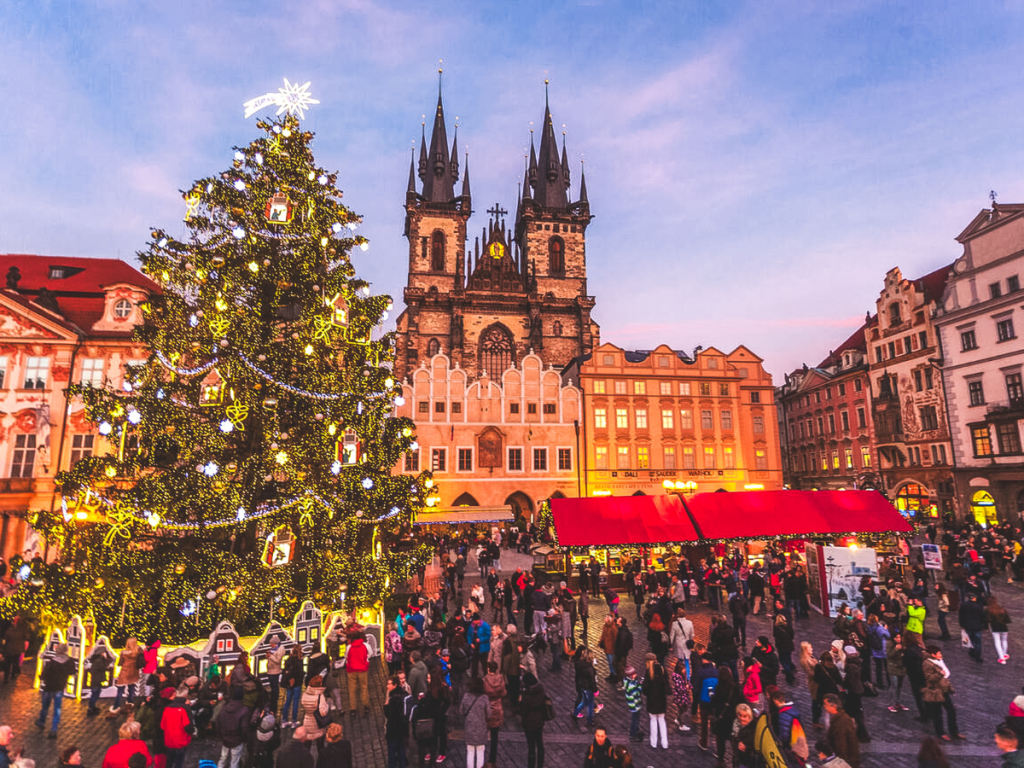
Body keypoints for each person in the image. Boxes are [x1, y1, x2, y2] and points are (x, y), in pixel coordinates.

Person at [922, 646, 963, 742]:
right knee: (937, 713)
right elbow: (929, 678)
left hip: (943, 690)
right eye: (939, 653)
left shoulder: (939, 661)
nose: (941, 655)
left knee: (951, 710)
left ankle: (954, 731)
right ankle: (940, 733)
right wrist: (940, 673)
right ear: (933, 655)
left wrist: (950, 689)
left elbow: (945, 678)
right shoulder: (927, 663)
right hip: (935, 692)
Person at [37, 643, 75, 737]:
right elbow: (72, 672)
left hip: (49, 687)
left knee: (45, 707)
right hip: (60, 687)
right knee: (57, 709)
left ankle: (41, 722)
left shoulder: (51, 662)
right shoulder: (70, 661)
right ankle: (54, 729)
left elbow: (44, 675)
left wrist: (41, 677)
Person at [709, 666, 739, 767]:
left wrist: (711, 696)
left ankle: (721, 759)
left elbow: (715, 703)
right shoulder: (736, 687)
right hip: (733, 719)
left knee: (721, 741)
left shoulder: (718, 688)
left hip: (722, 719)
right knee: (733, 740)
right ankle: (735, 760)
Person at [214, 687, 251, 768]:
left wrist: (220, 735)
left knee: (223, 757)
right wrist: (245, 739)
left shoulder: (224, 708)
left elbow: (218, 722)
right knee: (235, 760)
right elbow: (244, 728)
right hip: (237, 740)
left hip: (225, 738)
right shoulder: (244, 710)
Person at [160, 685, 195, 768]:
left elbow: (162, 726)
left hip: (169, 741)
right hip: (181, 741)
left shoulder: (167, 709)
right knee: (178, 763)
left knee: (169, 763)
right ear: (185, 695)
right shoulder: (184, 709)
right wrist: (193, 732)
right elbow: (188, 727)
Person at [460, 676, 490, 768]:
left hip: (470, 728)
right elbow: (489, 714)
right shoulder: (484, 698)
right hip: (481, 728)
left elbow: (461, 711)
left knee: (470, 751)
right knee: (480, 752)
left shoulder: (466, 696)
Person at [520, 672, 548, 768]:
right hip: (539, 720)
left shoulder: (526, 695)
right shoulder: (541, 691)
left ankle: (531, 765)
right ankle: (540, 764)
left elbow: (522, 710)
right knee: (540, 743)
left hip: (528, 722)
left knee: (531, 746)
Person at [824, 694, 860, 768]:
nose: (824, 706)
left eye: (825, 704)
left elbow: (841, 746)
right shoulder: (840, 718)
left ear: (833, 706)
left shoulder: (840, 723)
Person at [642, 655, 669, 750]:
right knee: (662, 721)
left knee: (653, 721)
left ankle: (653, 743)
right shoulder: (662, 669)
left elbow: (645, 689)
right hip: (661, 700)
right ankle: (664, 743)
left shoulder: (649, 672)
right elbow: (667, 685)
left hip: (652, 701)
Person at [112, 638, 144, 715]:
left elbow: (120, 663)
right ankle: (130, 702)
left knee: (120, 690)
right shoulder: (138, 652)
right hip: (134, 672)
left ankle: (116, 705)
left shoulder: (124, 653)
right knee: (131, 688)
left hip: (125, 672)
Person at [483, 661, 506, 764]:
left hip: (487, 708)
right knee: (495, 735)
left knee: (482, 733)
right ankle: (493, 758)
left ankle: (481, 754)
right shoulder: (501, 679)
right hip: (497, 707)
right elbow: (504, 692)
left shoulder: (485, 680)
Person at [384, 676, 409, 768]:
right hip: (403, 729)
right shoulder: (404, 693)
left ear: (395, 685)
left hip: (393, 730)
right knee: (401, 751)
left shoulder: (393, 698)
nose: (387, 686)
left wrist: (386, 705)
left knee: (392, 753)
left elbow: (389, 715)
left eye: (389, 684)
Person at [301, 673, 330, 750]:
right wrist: (327, 706)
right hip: (318, 723)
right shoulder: (320, 696)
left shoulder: (305, 694)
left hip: (307, 722)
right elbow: (322, 712)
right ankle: (321, 761)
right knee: (321, 746)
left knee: (307, 746)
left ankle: (307, 760)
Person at [345, 631, 371, 715]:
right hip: (363, 669)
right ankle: (365, 705)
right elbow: (370, 654)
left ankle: (353, 708)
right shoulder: (365, 645)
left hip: (351, 670)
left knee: (352, 689)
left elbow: (346, 656)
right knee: (364, 687)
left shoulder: (349, 647)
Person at [957, 593, 987, 662]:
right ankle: (977, 655)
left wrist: (962, 625)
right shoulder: (978, 606)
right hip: (977, 626)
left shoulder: (963, 605)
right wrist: (985, 625)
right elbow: (983, 617)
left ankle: (972, 651)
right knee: (978, 641)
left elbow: (961, 616)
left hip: (967, 626)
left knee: (971, 639)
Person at [282, 644, 305, 727]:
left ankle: (284, 720)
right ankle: (294, 721)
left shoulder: (288, 660)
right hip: (297, 683)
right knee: (295, 702)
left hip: (289, 683)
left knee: (287, 701)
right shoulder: (299, 661)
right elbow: (300, 673)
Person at [669, 609, 695, 679]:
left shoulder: (674, 624)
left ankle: (680, 675)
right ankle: (688, 677)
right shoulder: (689, 623)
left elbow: (672, 635)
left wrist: (670, 644)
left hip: (678, 644)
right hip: (687, 644)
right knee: (686, 660)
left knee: (680, 660)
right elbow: (692, 635)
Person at [986, 595, 1012, 664]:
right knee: (1004, 640)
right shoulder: (1002, 609)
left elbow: (987, 620)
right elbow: (1008, 620)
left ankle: (1001, 658)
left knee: (997, 642)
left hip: (995, 627)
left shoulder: (988, 610)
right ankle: (1004, 654)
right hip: (1004, 627)